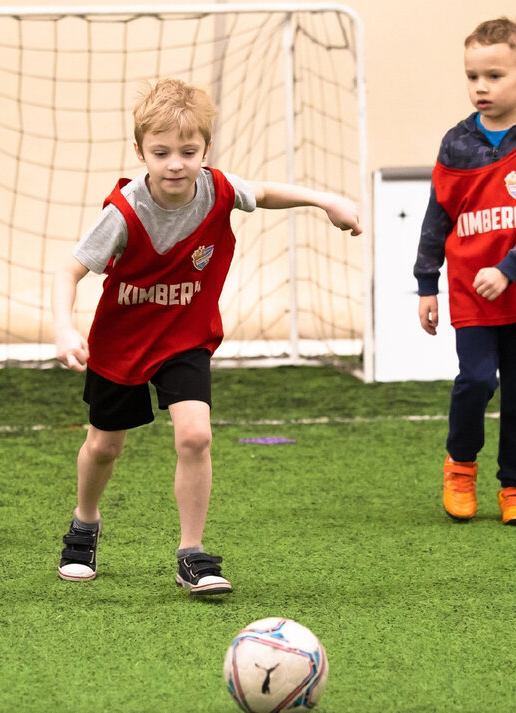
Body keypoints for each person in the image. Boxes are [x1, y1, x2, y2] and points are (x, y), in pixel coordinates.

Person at [52, 78, 361, 595]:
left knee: (195, 434)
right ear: (140, 152)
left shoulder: (217, 189)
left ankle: (191, 555)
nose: (175, 163)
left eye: (188, 151)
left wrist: (325, 200)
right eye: (161, 152)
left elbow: (262, 193)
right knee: (104, 446)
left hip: (184, 338)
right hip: (122, 341)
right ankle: (85, 523)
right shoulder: (125, 213)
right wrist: (64, 328)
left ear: (206, 150)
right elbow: (68, 270)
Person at [413, 17, 516, 526]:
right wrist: (427, 284)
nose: (481, 87)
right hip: (472, 293)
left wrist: (508, 269)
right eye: (472, 76)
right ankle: (460, 466)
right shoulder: (455, 144)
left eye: (494, 76)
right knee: (476, 381)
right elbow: (437, 216)